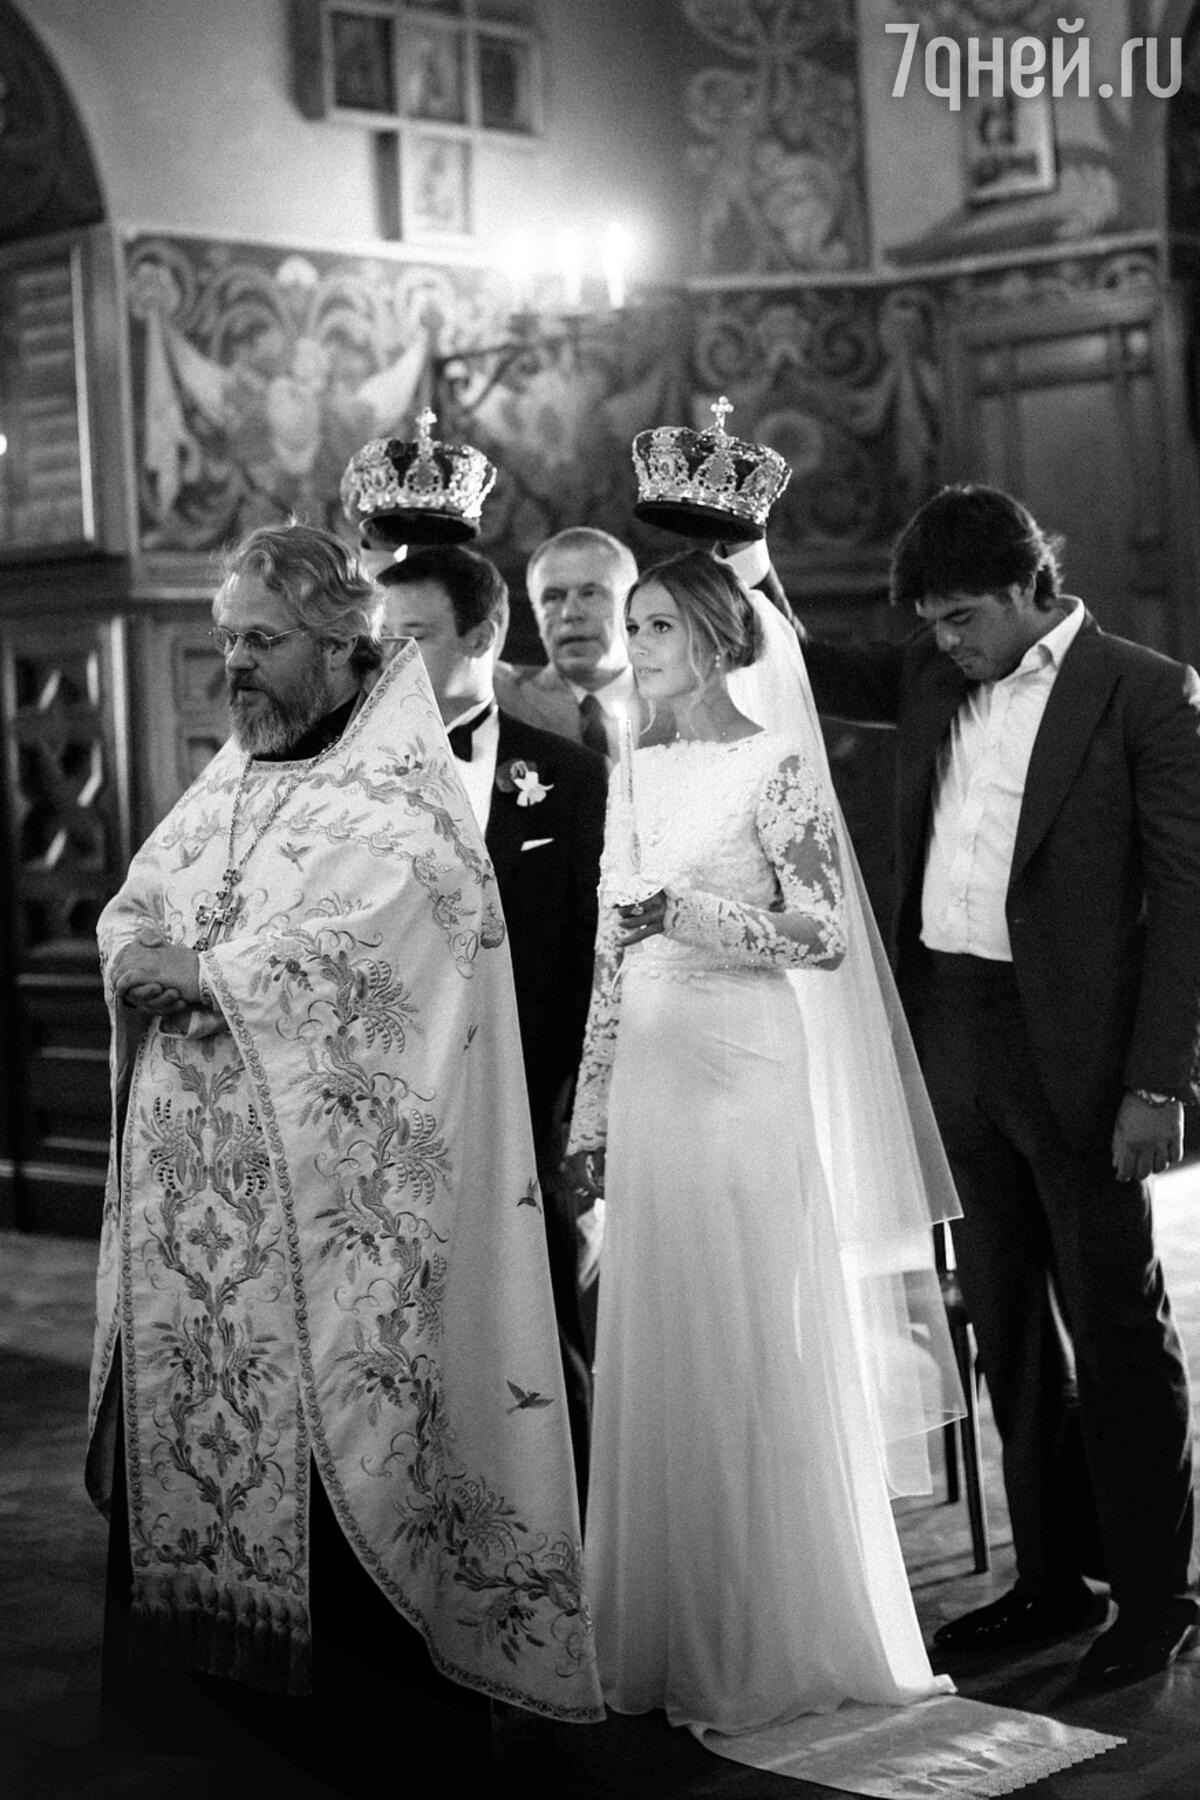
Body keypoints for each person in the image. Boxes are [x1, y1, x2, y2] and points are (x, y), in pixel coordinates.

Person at [86, 523, 602, 1781]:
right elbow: (142, 896)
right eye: (225, 639)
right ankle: (198, 1704)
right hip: (198, 1217)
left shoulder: (405, 800)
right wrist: (133, 952)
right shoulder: (234, 774)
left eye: (259, 641)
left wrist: (207, 974)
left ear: (336, 644)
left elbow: (380, 945)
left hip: (327, 1232)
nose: (235, 665)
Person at [563, 549, 967, 1761]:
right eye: (634, 626)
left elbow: (823, 932)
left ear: (715, 638)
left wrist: (691, 915)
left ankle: (762, 1628)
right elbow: (608, 951)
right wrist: (590, 1115)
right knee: (662, 1328)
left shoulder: (775, 767)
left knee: (743, 1325)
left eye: (658, 627)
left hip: (744, 1067)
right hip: (649, 1076)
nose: (637, 646)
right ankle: (667, 1624)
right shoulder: (634, 769)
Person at [796, 484, 1200, 1687]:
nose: (947, 642)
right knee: (1008, 1329)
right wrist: (747, 556)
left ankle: (1155, 1597)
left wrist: (1160, 1083)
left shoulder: (1143, 690)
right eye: (930, 622)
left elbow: (1189, 902)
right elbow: (807, 665)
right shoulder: (935, 672)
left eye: (964, 616)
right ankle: (1049, 1578)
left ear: (1033, 585)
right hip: (952, 1034)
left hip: (1078, 1050)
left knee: (1114, 1325)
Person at [375, 544, 608, 1509]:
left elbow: (592, 956)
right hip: (391, 1103)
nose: (391, 660)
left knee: (545, 1327)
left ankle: (569, 1531)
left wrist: (576, 1109)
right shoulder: (346, 781)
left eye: (415, 637)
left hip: (532, 1102)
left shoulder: (570, 777)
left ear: (484, 634)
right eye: (382, 640)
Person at [495, 526, 639, 761]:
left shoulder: (681, 704)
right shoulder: (502, 701)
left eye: (590, 593)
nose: (570, 613)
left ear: (633, 604)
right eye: (552, 597)